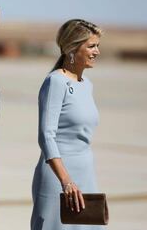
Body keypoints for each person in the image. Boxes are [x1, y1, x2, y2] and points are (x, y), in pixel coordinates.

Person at [30, 19, 103, 230]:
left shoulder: (87, 84)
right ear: (72, 48)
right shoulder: (56, 82)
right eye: (91, 46)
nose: (97, 51)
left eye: (97, 45)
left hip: (86, 173)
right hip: (58, 178)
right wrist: (66, 180)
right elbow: (46, 136)